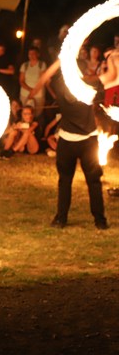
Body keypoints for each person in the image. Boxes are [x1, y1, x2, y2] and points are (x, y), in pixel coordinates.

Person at [29, 54, 118, 229]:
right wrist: (112, 59)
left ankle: (62, 219)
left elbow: (43, 78)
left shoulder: (61, 84)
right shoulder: (88, 83)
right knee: (90, 182)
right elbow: (113, 76)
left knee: (66, 181)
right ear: (82, 71)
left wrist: (62, 57)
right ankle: (98, 221)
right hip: (85, 141)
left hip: (72, 140)